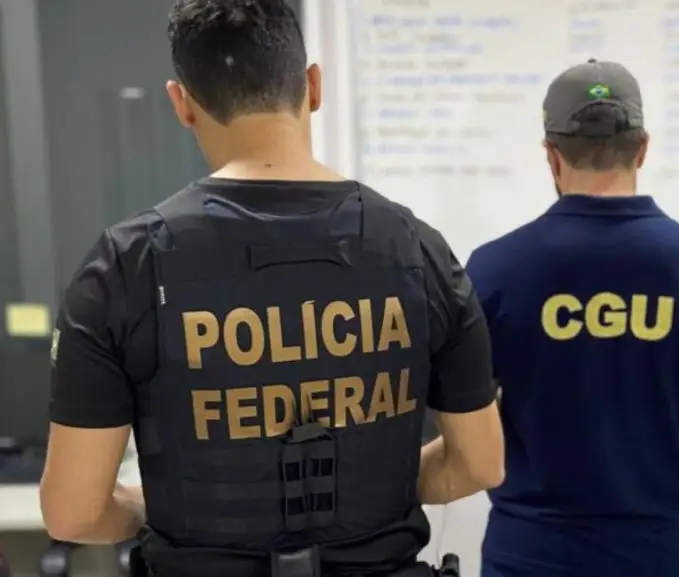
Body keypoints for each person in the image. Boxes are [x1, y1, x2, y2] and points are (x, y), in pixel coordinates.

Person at [39, 1, 504, 576]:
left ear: (182, 104)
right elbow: (480, 465)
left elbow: (74, 513)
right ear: (314, 86)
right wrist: (366, 487)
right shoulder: (418, 248)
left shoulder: (124, 266)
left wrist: (159, 505)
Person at [465, 59, 679, 577]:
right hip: (652, 557)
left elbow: (471, 431)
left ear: (551, 155)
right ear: (642, 148)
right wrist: (644, 429)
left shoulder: (493, 271)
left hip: (529, 556)